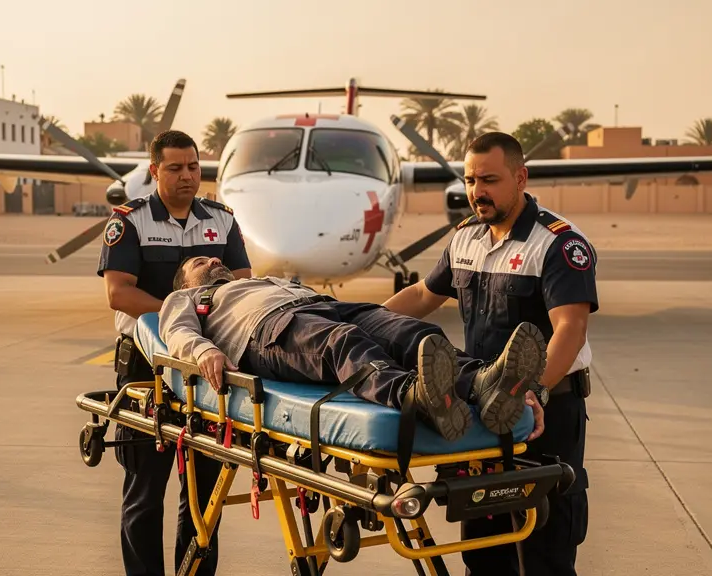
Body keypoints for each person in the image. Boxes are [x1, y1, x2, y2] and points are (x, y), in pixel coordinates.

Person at [382, 131, 598, 576]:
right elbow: (424, 294)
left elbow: (570, 329)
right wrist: (360, 320)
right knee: (483, 551)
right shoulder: (465, 238)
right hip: (482, 414)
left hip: (547, 413)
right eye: (469, 180)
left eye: (489, 180)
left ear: (520, 178)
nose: (476, 191)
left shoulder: (556, 242)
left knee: (545, 551)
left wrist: (533, 390)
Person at [158, 256, 548, 444]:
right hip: (267, 331)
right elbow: (176, 333)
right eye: (200, 261)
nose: (214, 259)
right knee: (341, 345)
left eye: (214, 257)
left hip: (324, 305)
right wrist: (203, 352)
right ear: (185, 280)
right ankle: (416, 397)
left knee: (409, 331)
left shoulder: (263, 279)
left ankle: (483, 382)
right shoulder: (188, 297)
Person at [97, 130, 252, 576]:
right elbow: (119, 294)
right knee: (144, 493)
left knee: (205, 496)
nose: (187, 176)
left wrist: (200, 327)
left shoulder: (221, 220)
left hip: (206, 368)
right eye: (175, 168)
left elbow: (241, 284)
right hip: (146, 365)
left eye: (193, 167)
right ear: (154, 171)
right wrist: (181, 312)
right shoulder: (129, 221)